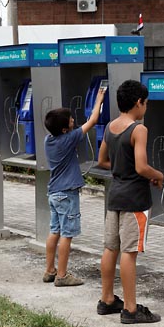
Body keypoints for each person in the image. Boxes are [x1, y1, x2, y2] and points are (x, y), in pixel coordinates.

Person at [95, 79, 164, 323]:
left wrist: (121, 167)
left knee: (110, 248)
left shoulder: (110, 127)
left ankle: (107, 300)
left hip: (114, 196)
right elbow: (142, 166)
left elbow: (102, 160)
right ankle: (131, 309)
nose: (146, 107)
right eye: (146, 103)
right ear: (138, 102)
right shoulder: (138, 129)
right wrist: (158, 175)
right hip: (135, 199)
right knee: (129, 252)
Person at [42, 87, 106, 287]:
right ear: (64, 129)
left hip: (53, 192)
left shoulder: (49, 140)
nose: (73, 121)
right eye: (70, 120)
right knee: (67, 235)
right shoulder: (68, 139)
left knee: (54, 231)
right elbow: (93, 120)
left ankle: (49, 270)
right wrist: (99, 100)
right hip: (67, 195)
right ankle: (62, 275)